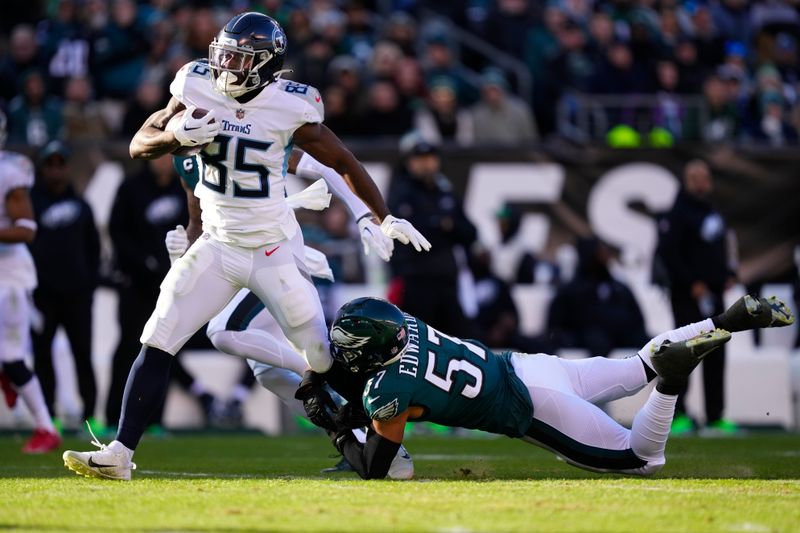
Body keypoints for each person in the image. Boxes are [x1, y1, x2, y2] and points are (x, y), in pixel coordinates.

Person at [63, 12, 428, 480]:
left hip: (272, 251)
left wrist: (381, 214)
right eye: (223, 55)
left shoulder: (290, 105)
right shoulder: (195, 84)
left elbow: (341, 161)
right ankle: (121, 452)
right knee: (159, 335)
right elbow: (140, 142)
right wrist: (174, 135)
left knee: (321, 356)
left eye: (238, 58)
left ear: (264, 64)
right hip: (216, 246)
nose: (226, 66)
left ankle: (387, 447)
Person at [316, 293, 793, 479]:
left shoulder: (388, 387)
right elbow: (409, 395)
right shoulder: (410, 324)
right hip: (529, 366)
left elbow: (378, 466)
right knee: (633, 370)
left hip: (530, 404)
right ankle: (727, 319)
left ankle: (672, 382)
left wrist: (333, 428)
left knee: (639, 459)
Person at [165, 150, 413, 478]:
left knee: (226, 332)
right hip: (238, 264)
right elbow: (200, 227)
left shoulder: (257, 128)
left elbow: (327, 165)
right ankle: (358, 440)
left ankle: (321, 378)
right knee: (268, 373)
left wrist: (364, 216)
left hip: (273, 259)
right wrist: (179, 258)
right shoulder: (187, 157)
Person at [657, 159, 739, 435]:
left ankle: (716, 415)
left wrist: (727, 273)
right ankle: (679, 414)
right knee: (686, 353)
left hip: (713, 295)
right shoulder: (677, 214)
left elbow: (725, 246)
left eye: (705, 176)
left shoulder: (713, 213)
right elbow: (669, 254)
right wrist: (690, 282)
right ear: (687, 180)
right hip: (687, 296)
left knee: (717, 352)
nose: (703, 181)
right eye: (696, 177)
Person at [0, 111, 61, 453]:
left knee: (11, 356)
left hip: (9, 276)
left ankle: (46, 428)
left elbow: (27, 228)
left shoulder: (9, 172)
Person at [29, 141, 100, 431]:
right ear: (43, 168)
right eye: (51, 164)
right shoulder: (31, 204)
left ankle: (90, 418)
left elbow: (94, 249)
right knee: (43, 356)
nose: (56, 170)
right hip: (42, 296)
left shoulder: (82, 206)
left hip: (77, 297)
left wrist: (89, 285)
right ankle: (49, 417)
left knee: (83, 355)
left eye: (61, 164)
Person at [386, 132, 477, 338]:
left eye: (430, 158)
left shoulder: (446, 193)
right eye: (419, 159)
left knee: (459, 339)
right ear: (408, 162)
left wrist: (448, 226)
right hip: (416, 280)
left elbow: (470, 232)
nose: (426, 164)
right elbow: (407, 234)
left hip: (447, 281)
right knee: (419, 340)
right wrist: (441, 225)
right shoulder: (401, 193)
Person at [547, 238, 649, 357]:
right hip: (589, 341)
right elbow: (556, 326)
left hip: (622, 337)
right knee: (598, 342)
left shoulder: (619, 288)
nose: (605, 257)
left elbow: (638, 320)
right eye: (600, 253)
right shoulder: (570, 291)